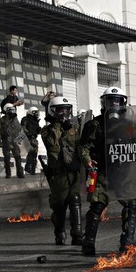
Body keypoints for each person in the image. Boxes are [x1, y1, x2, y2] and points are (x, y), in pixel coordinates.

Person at [78, 87, 136, 255]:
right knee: (98, 205)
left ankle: (127, 240)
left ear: (123, 104)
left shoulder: (130, 126)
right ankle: (88, 242)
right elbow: (84, 148)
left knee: (131, 203)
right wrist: (88, 162)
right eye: (110, 101)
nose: (114, 105)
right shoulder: (95, 125)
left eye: (117, 101)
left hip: (122, 173)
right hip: (101, 171)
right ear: (104, 103)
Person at [41, 97, 83, 246]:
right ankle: (59, 233)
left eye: (66, 110)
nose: (64, 113)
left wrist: (69, 128)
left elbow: (78, 145)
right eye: (60, 110)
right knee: (60, 205)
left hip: (73, 171)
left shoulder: (73, 128)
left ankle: (77, 234)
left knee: (75, 199)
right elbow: (55, 145)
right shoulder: (47, 130)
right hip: (58, 174)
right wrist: (61, 128)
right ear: (53, 111)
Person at [0, 104, 24, 178]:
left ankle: (20, 173)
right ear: (7, 111)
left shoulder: (15, 119)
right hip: (6, 140)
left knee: (18, 157)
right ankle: (8, 173)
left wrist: (20, 139)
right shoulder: (1, 120)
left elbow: (19, 129)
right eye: (10, 110)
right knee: (7, 158)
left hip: (15, 141)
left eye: (13, 109)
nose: (12, 112)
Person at [21, 106, 41, 175]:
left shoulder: (36, 121)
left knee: (34, 154)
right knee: (31, 153)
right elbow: (23, 128)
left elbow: (38, 130)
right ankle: (29, 168)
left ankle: (32, 170)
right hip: (28, 139)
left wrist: (39, 130)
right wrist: (28, 133)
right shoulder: (25, 119)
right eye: (35, 112)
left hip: (34, 139)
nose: (36, 114)